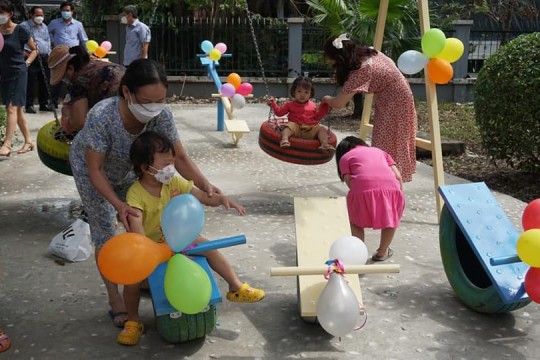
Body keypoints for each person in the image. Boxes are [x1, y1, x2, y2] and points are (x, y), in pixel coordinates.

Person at [68, 58, 222, 343]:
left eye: (161, 99)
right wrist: (118, 205)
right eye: (147, 101)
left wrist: (205, 185)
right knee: (105, 231)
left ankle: (138, 278)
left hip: (135, 170)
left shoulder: (161, 116)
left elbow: (181, 158)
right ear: (126, 93)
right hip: (95, 172)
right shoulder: (102, 116)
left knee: (141, 229)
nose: (154, 107)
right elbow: (95, 169)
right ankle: (115, 297)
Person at [118, 131, 265, 346]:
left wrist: (222, 199)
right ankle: (133, 321)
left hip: (180, 239)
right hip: (150, 248)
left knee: (208, 247)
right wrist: (146, 250)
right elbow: (136, 225)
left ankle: (236, 287)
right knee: (131, 281)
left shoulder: (174, 182)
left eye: (172, 162)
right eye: (166, 163)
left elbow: (203, 197)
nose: (171, 168)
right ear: (145, 168)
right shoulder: (136, 194)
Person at [321, 34, 418, 182]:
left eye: (332, 60)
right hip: (401, 97)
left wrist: (326, 99)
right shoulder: (370, 52)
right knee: (391, 147)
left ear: (339, 58)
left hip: (394, 106)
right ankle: (388, 187)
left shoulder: (361, 71)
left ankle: (390, 189)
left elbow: (339, 103)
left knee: (387, 149)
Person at [335, 136, 405, 261]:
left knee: (355, 222)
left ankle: (358, 253)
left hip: (362, 190)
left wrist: (360, 194)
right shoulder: (380, 152)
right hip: (392, 189)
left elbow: (348, 180)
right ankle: (382, 252)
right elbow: (398, 176)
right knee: (391, 220)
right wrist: (398, 195)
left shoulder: (345, 157)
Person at [48, 45, 125, 133]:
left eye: (63, 76)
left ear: (70, 68)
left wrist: (69, 120)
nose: (64, 80)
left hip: (119, 116)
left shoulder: (77, 80)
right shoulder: (96, 63)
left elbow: (79, 122)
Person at [0, 0, 38, 157]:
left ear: (10, 13)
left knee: (11, 107)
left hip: (18, 72)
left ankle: (6, 145)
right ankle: (29, 141)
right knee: (18, 110)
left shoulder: (20, 29)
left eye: (2, 12)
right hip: (4, 74)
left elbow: (34, 49)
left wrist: (27, 63)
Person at [267, 76, 333, 152]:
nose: (302, 95)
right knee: (288, 126)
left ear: (311, 93)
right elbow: (279, 113)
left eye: (306, 92)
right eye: (299, 91)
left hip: (310, 129)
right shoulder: (289, 104)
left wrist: (325, 108)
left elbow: (317, 118)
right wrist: (273, 104)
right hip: (295, 128)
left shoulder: (313, 105)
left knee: (321, 129)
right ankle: (284, 140)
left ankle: (324, 144)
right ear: (294, 91)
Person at [48, 1, 89, 107]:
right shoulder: (54, 23)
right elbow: (46, 34)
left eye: (68, 10)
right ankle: (53, 101)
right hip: (60, 54)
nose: (66, 12)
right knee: (58, 77)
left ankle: (75, 99)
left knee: (74, 77)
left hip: (74, 55)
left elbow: (84, 40)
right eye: (64, 10)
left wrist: (88, 54)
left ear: (72, 11)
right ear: (60, 11)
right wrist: (53, 43)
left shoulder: (78, 24)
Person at [20, 5, 52, 113]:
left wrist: (49, 52)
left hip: (44, 57)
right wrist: (23, 51)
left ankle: (44, 103)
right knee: (30, 81)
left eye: (42, 15)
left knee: (45, 81)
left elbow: (47, 40)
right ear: (31, 15)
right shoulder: (24, 26)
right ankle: (29, 105)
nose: (40, 17)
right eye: (37, 15)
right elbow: (18, 40)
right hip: (31, 56)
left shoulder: (44, 26)